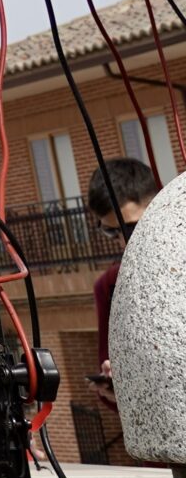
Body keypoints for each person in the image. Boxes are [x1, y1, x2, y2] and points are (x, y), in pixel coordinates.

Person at [85, 155, 162, 450]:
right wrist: (115, 391)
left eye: (130, 228)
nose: (123, 242)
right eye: (110, 232)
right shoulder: (109, 285)